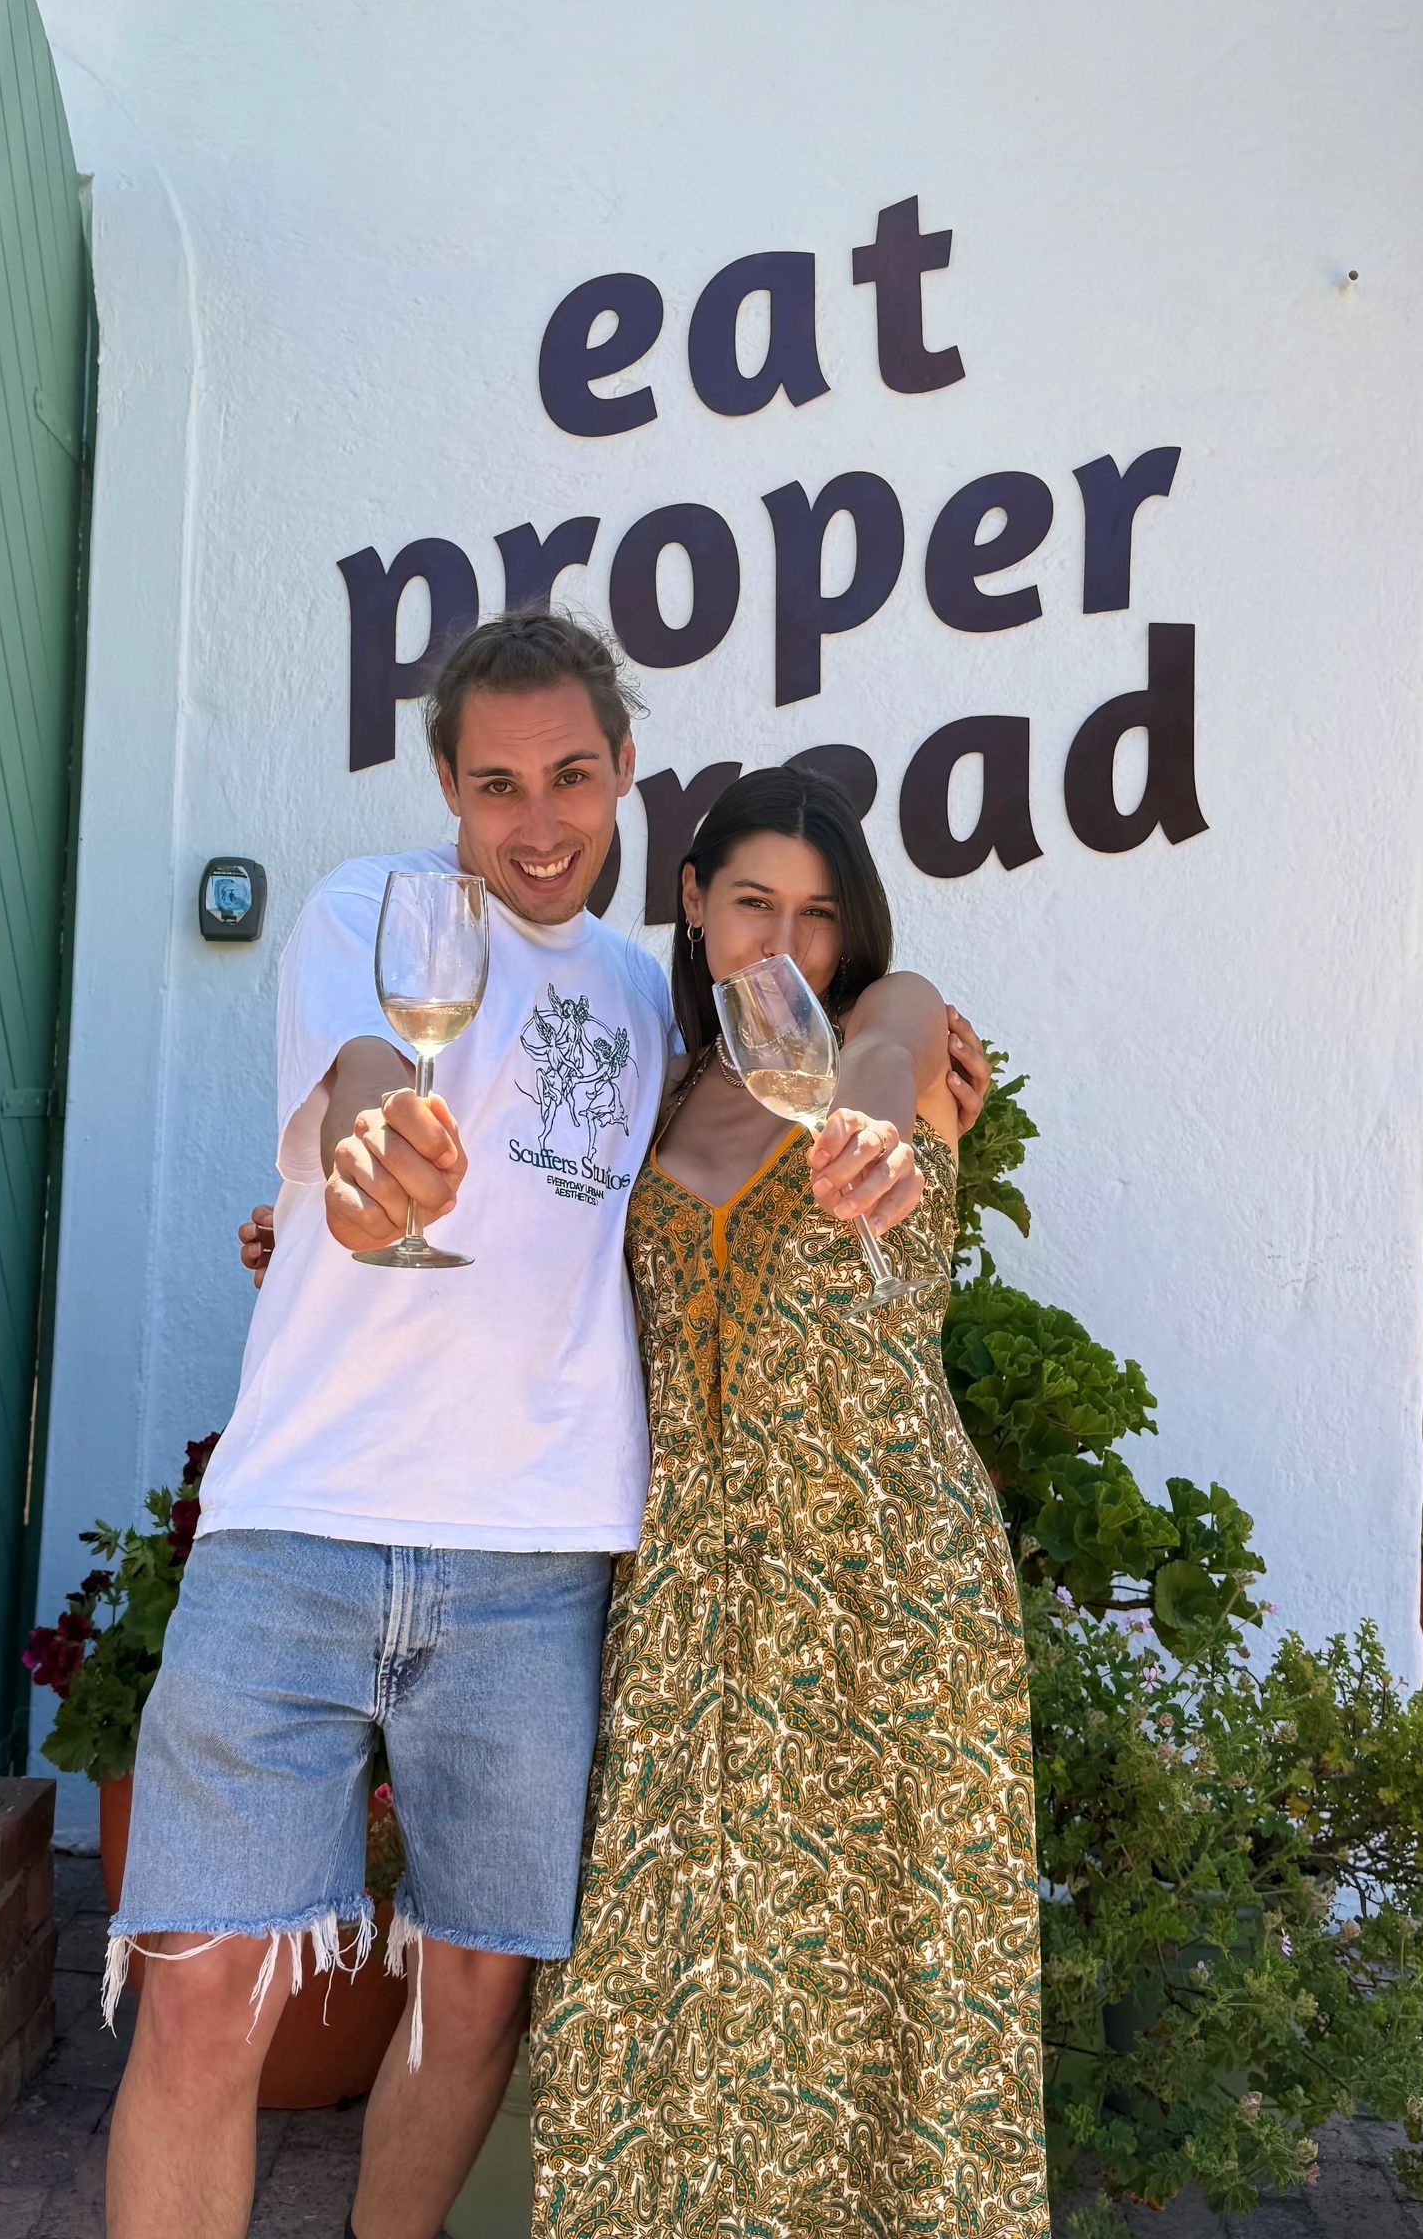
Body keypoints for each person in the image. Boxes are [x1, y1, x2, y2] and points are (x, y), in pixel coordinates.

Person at [105, 607, 992, 2239]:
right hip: (299, 1530)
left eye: (572, 777)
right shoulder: (372, 911)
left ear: (626, 773)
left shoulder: (660, 1014)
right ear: (447, 785)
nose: (539, 822)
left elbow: (878, 1013)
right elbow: (362, 1066)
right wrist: (356, 1158)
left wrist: (899, 1057)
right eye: (498, 784)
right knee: (201, 1985)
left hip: (537, 1565)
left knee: (473, 2002)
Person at [527, 767, 1047, 2236]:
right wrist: (318, 1237)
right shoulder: (656, 1086)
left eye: (819, 915)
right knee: (659, 1987)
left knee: (885, 1998)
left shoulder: (897, 1037)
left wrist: (873, 1114)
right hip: (686, 1596)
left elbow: (891, 1031)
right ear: (693, 906)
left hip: (884, 1583)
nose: (785, 941)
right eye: (753, 902)